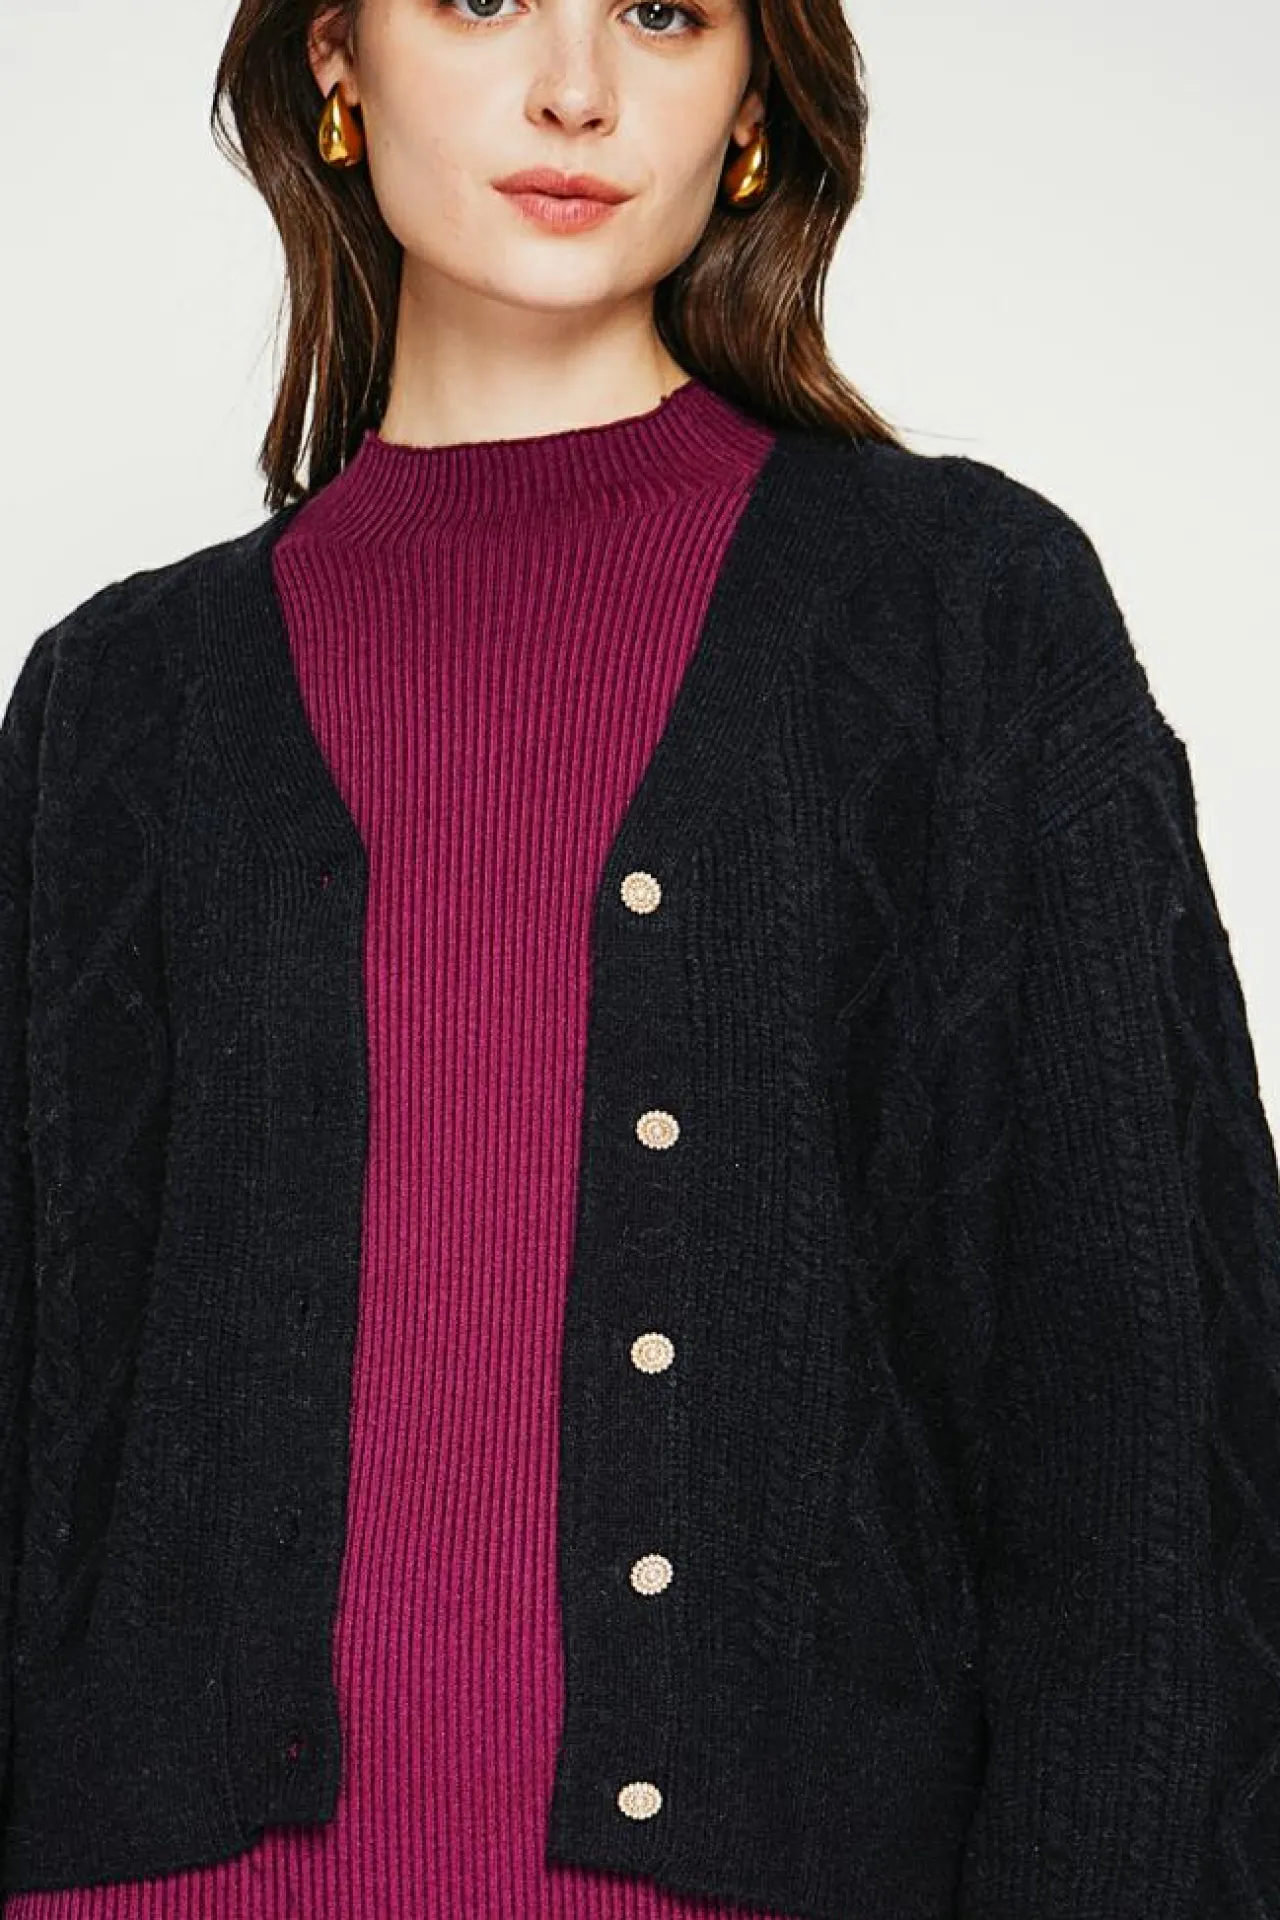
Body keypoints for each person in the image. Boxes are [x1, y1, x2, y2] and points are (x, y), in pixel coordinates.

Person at [2, 0, 1278, 1915]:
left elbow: (1151, 1455)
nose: (576, 90)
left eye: (666, 15)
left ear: (756, 100)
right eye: (484, 0)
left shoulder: (966, 622)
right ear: (335, 57)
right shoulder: (117, 700)